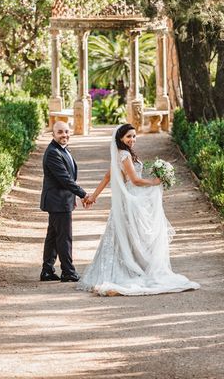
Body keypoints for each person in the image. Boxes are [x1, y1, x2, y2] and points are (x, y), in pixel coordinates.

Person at [77, 123, 200, 296]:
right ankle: (131, 270)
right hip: (131, 199)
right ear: (120, 138)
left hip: (130, 200)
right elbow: (134, 180)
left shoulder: (121, 154)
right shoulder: (124, 155)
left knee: (125, 236)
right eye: (129, 136)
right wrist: (155, 182)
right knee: (133, 236)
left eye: (134, 136)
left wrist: (94, 197)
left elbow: (108, 176)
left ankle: (125, 267)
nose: (132, 139)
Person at [40, 121, 92, 282]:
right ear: (53, 134)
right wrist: (83, 194)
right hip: (57, 201)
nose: (64, 135)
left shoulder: (62, 149)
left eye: (67, 132)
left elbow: (68, 178)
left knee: (54, 236)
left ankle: (47, 270)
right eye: (60, 132)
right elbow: (64, 179)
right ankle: (68, 271)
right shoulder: (53, 153)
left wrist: (73, 197)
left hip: (61, 200)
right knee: (64, 237)